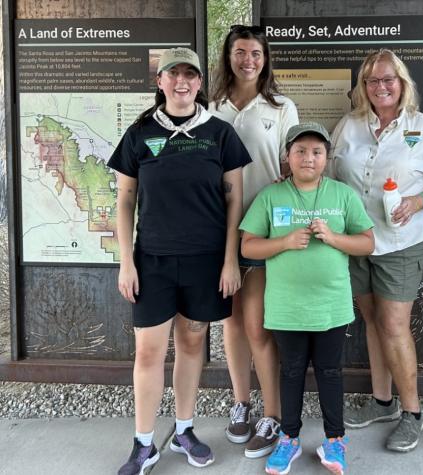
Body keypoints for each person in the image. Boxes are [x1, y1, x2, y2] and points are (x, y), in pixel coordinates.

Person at [109, 47, 251, 474]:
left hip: (205, 264)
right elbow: (124, 200)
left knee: (192, 346)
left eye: (190, 74)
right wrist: (125, 263)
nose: (182, 82)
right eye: (173, 75)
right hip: (151, 262)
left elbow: (235, 201)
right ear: (160, 82)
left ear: (200, 83)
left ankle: (185, 430)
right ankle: (144, 443)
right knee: (149, 353)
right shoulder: (139, 134)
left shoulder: (220, 134)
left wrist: (230, 262)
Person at [330, 49, 423, 452]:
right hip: (357, 240)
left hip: (402, 243)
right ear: (363, 87)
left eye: (388, 79)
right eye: (372, 80)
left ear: (403, 84)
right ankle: (382, 402)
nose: (380, 87)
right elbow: (329, 173)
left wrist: (418, 201)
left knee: (393, 324)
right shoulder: (349, 125)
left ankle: (412, 413)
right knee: (371, 320)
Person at [240, 123, 375, 475]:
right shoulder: (271, 196)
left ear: (327, 158)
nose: (308, 158)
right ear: (287, 156)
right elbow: (248, 244)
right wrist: (283, 242)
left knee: (330, 372)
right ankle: (289, 438)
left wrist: (332, 237)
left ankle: (335, 440)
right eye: (300, 151)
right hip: (287, 307)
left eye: (316, 152)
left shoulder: (342, 195)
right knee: (292, 371)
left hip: (331, 306)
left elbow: (367, 242)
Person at [209, 24, 298, 458]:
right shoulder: (210, 107)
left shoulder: (281, 108)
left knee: (258, 326)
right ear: (228, 56)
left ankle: (273, 413)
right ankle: (240, 404)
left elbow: (294, 163)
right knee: (230, 323)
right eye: (240, 52)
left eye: (256, 53)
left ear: (266, 59)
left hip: (262, 231)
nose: (248, 60)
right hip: (215, 231)